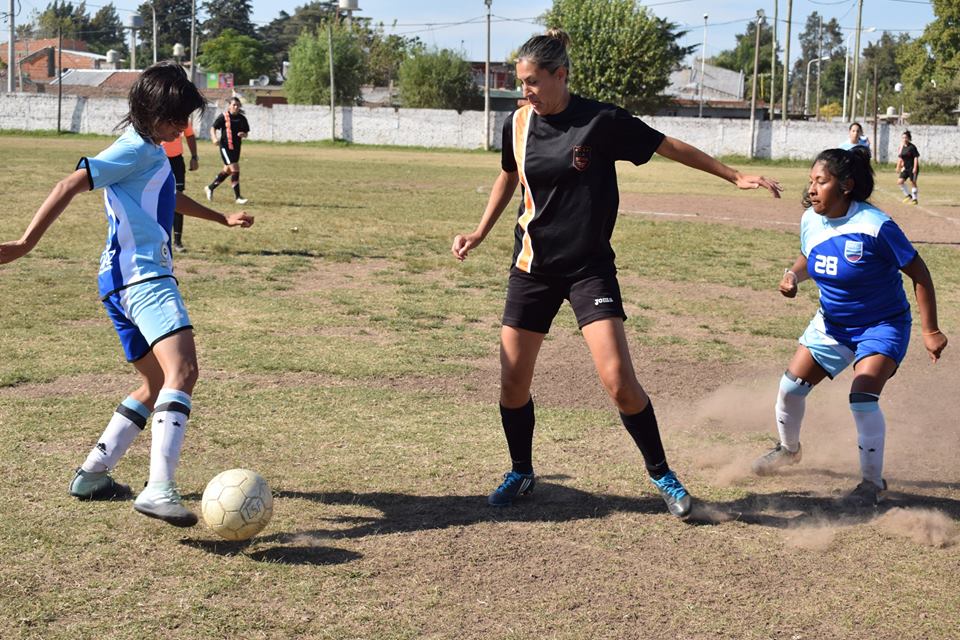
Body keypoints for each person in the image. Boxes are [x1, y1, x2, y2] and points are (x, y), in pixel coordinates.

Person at [451, 29, 783, 518]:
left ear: (560, 75)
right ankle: (521, 472)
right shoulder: (517, 124)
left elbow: (666, 145)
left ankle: (662, 475)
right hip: (532, 269)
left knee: (619, 382)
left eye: (532, 83)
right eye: (522, 83)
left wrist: (734, 175)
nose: (525, 92)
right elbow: (510, 174)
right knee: (512, 383)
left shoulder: (602, 121)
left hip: (588, 270)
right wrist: (480, 232)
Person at [0, 61, 254, 527]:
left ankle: (93, 473)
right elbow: (70, 183)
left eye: (187, 118)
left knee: (156, 383)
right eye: (177, 118)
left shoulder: (151, 151)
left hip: (117, 283)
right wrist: (24, 244)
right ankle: (159, 488)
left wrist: (222, 219)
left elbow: (166, 197)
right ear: (152, 112)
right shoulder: (134, 148)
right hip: (145, 279)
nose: (184, 126)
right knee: (185, 371)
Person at [751, 147, 947, 506]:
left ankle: (872, 484)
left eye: (820, 181)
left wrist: (930, 330)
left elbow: (920, 273)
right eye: (810, 181)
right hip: (832, 324)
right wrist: (792, 274)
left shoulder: (876, 226)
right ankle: (788, 450)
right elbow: (812, 255)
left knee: (861, 398)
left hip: (881, 325)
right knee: (790, 389)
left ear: (846, 185)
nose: (812, 189)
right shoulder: (811, 219)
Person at [161, 119, 200, 251]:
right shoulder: (158, 113)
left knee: (177, 200)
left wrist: (194, 157)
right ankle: (159, 239)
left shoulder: (182, 115)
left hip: (177, 162)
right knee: (157, 200)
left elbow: (189, 135)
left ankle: (177, 242)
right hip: (158, 159)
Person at [205, 97, 250, 205]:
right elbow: (213, 128)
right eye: (234, 105)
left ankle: (210, 188)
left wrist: (243, 134)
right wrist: (214, 138)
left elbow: (246, 133)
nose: (236, 107)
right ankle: (238, 197)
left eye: (238, 105)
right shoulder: (224, 117)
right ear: (229, 106)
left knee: (227, 171)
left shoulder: (242, 118)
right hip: (225, 146)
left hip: (236, 148)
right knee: (235, 169)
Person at [896, 130, 920, 206]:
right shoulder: (901, 147)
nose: (904, 139)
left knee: (913, 182)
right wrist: (898, 167)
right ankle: (908, 195)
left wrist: (915, 168)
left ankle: (915, 199)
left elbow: (916, 157)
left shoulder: (912, 147)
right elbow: (900, 158)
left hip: (912, 167)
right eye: (903, 137)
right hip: (905, 168)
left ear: (909, 138)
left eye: (905, 137)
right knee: (900, 182)